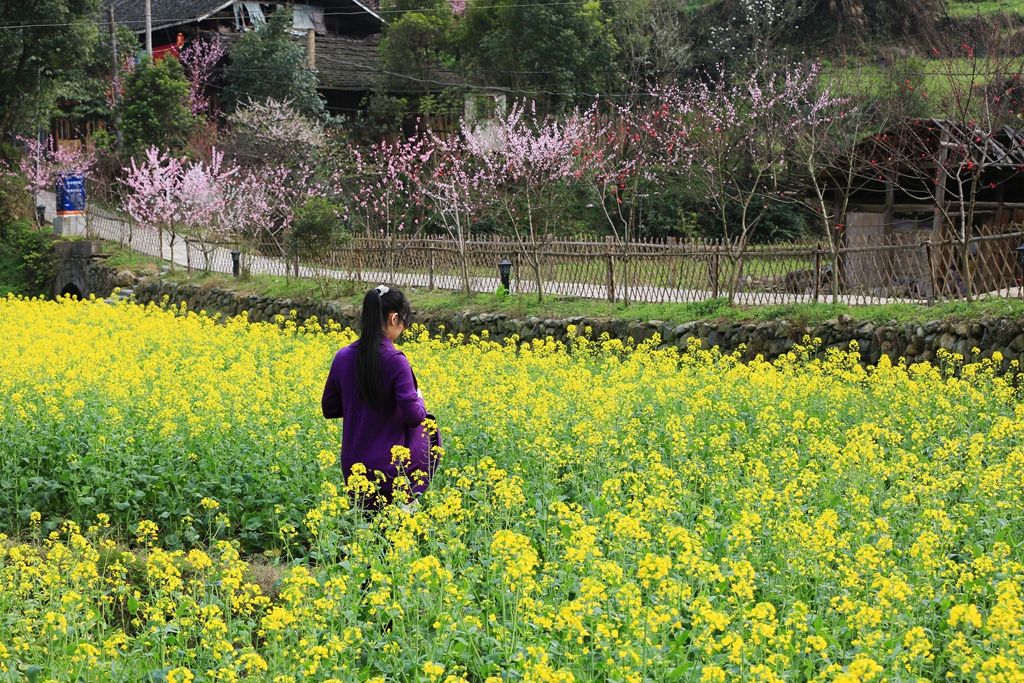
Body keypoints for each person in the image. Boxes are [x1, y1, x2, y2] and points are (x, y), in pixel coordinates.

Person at [321, 285, 438, 508]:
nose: (404, 328)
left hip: (353, 469)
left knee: (365, 532)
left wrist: (359, 403)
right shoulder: (396, 359)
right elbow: (415, 417)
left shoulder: (343, 356)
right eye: (405, 322)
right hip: (388, 469)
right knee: (430, 429)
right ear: (393, 318)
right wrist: (419, 399)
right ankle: (406, 507)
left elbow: (330, 408)